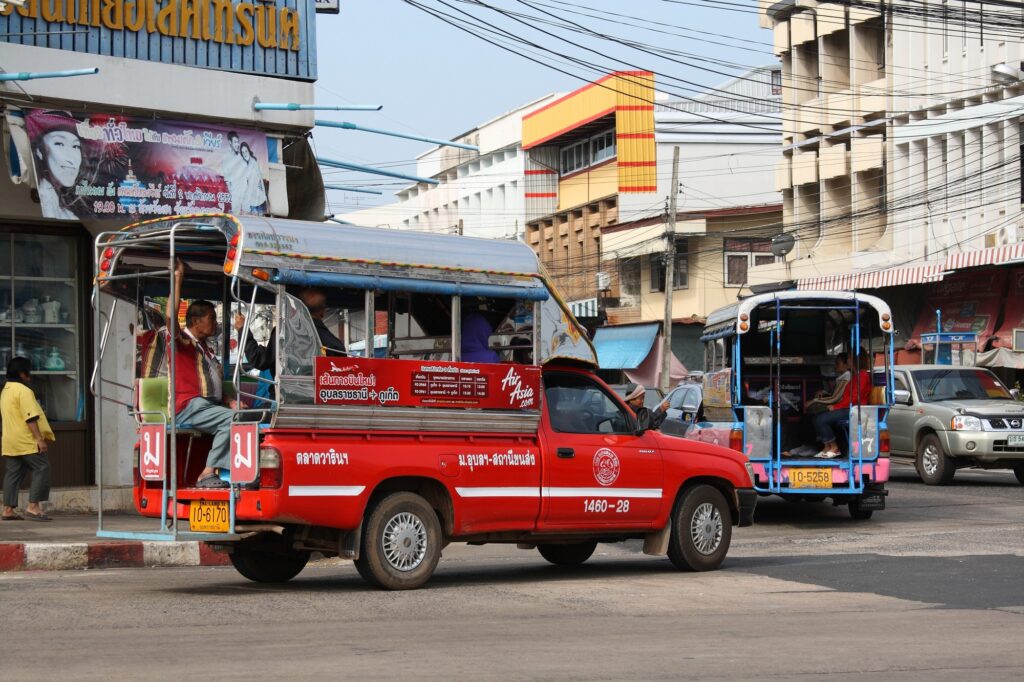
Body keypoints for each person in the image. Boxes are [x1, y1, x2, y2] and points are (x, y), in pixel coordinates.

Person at [167, 259, 237, 488]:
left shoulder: (205, 348)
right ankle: (207, 473)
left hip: (206, 406)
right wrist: (178, 278)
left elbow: (212, 384)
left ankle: (237, 474)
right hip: (189, 407)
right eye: (211, 318)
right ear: (196, 322)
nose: (215, 323)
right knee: (233, 419)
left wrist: (229, 400)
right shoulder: (182, 342)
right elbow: (170, 317)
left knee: (242, 415)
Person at [233, 288, 346, 372]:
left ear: (296, 309)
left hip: (284, 395)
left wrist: (243, 329)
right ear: (323, 312)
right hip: (322, 396)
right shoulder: (335, 345)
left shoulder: (283, 332)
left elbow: (259, 361)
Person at [2, 357, 55, 521]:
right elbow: (30, 418)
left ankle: (8, 510)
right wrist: (39, 439)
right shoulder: (24, 391)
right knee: (42, 468)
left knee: (13, 473)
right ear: (21, 373)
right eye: (28, 371)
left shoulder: (6, 390)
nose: (30, 374)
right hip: (26, 439)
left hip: (10, 439)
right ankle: (33, 507)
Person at [26, 110, 86, 220]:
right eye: (59, 144)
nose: (71, 159)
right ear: (39, 151)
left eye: (76, 146)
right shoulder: (47, 201)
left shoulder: (65, 211)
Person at [813, 349, 873, 459]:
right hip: (849, 408)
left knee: (821, 419)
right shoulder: (856, 376)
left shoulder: (862, 376)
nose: (848, 360)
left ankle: (834, 447)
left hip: (855, 410)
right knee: (817, 416)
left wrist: (836, 407)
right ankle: (827, 447)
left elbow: (855, 398)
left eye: (849, 358)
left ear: (855, 359)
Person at [238, 142, 268, 215]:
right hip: (254, 201)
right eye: (243, 152)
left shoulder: (253, 164)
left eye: (246, 151)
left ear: (249, 151)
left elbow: (257, 182)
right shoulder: (247, 164)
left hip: (258, 201)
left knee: (257, 220)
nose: (245, 154)